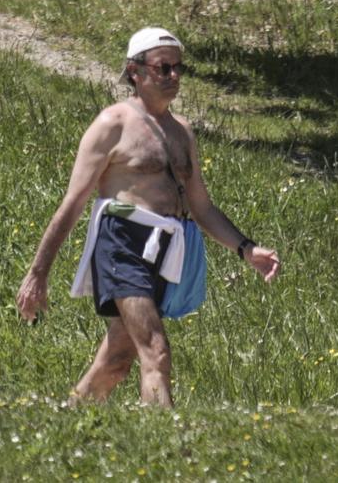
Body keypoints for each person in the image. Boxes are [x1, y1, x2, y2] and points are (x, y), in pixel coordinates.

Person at [16, 26, 280, 405]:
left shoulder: (182, 131)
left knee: (118, 357)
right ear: (135, 71)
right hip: (122, 242)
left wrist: (246, 249)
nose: (173, 76)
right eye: (162, 68)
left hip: (166, 248)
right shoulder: (114, 124)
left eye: (177, 68)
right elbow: (73, 202)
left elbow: (201, 206)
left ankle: (67, 422)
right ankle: (162, 447)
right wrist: (38, 273)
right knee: (155, 349)